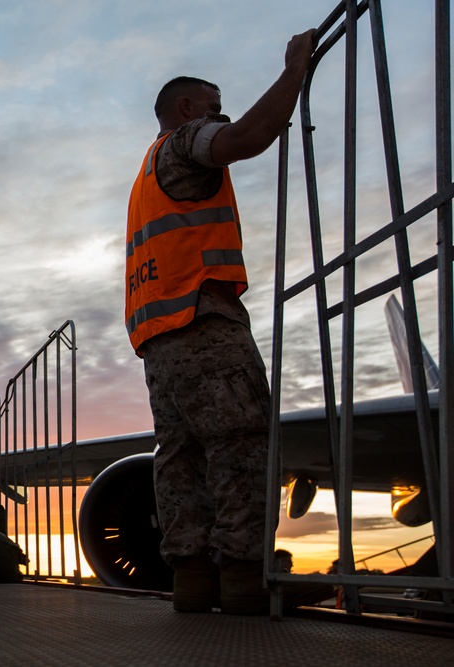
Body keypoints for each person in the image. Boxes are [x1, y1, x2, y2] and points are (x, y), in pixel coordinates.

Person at [124, 30, 316, 614]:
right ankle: (241, 577)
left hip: (158, 338)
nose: (219, 113)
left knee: (180, 456)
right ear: (187, 110)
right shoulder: (183, 145)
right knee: (242, 445)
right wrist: (294, 73)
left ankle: (191, 580)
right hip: (203, 319)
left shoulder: (146, 172)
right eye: (214, 103)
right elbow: (249, 137)